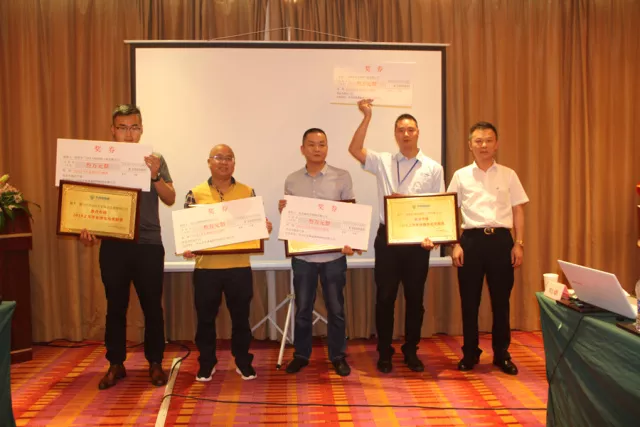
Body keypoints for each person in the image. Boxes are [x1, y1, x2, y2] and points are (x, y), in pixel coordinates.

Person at [80, 104, 176, 390]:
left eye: (134, 127)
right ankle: (115, 363)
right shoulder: (101, 161)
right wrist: (86, 229)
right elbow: (88, 201)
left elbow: (170, 197)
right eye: (122, 128)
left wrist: (155, 175)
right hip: (114, 244)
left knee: (152, 307)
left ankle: (155, 362)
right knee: (115, 307)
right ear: (113, 130)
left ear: (141, 129)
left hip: (148, 244)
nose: (129, 134)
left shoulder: (155, 159)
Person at [348, 99, 444, 374]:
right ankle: (384, 352)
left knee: (415, 300)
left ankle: (411, 350)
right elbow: (354, 149)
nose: (406, 134)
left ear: (418, 133)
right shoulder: (383, 161)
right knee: (385, 298)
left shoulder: (433, 167)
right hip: (388, 238)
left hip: (417, 241)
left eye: (410, 129)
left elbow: (439, 205)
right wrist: (367, 117)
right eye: (401, 129)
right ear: (395, 134)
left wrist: (433, 237)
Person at [183, 144, 272, 382]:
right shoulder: (195, 193)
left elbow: (256, 225)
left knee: (241, 320)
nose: (224, 162)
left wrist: (264, 227)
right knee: (205, 320)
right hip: (206, 269)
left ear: (234, 163)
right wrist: (188, 245)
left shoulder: (247, 191)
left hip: (238, 267)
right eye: (218, 157)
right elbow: (188, 230)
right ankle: (206, 363)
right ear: (209, 162)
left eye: (229, 158)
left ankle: (243, 361)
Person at [447, 121, 528, 375]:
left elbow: (518, 210)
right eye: (478, 141)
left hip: (501, 241)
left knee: (501, 302)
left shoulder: (508, 174)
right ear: (470, 145)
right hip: (470, 242)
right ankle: (470, 353)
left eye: (489, 140)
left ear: (496, 144)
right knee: (469, 302)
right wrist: (455, 244)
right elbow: (449, 210)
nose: (484, 145)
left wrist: (519, 244)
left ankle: (501, 354)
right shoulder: (460, 175)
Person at [278, 128, 359, 377]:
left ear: (327, 147)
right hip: (304, 257)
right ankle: (301, 355)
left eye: (322, 144)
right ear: (302, 149)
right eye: (311, 144)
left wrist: (350, 240)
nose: (317, 148)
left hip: (334, 257)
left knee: (336, 309)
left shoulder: (342, 176)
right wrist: (285, 212)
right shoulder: (292, 180)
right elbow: (293, 218)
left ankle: (338, 356)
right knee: (303, 309)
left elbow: (349, 214)